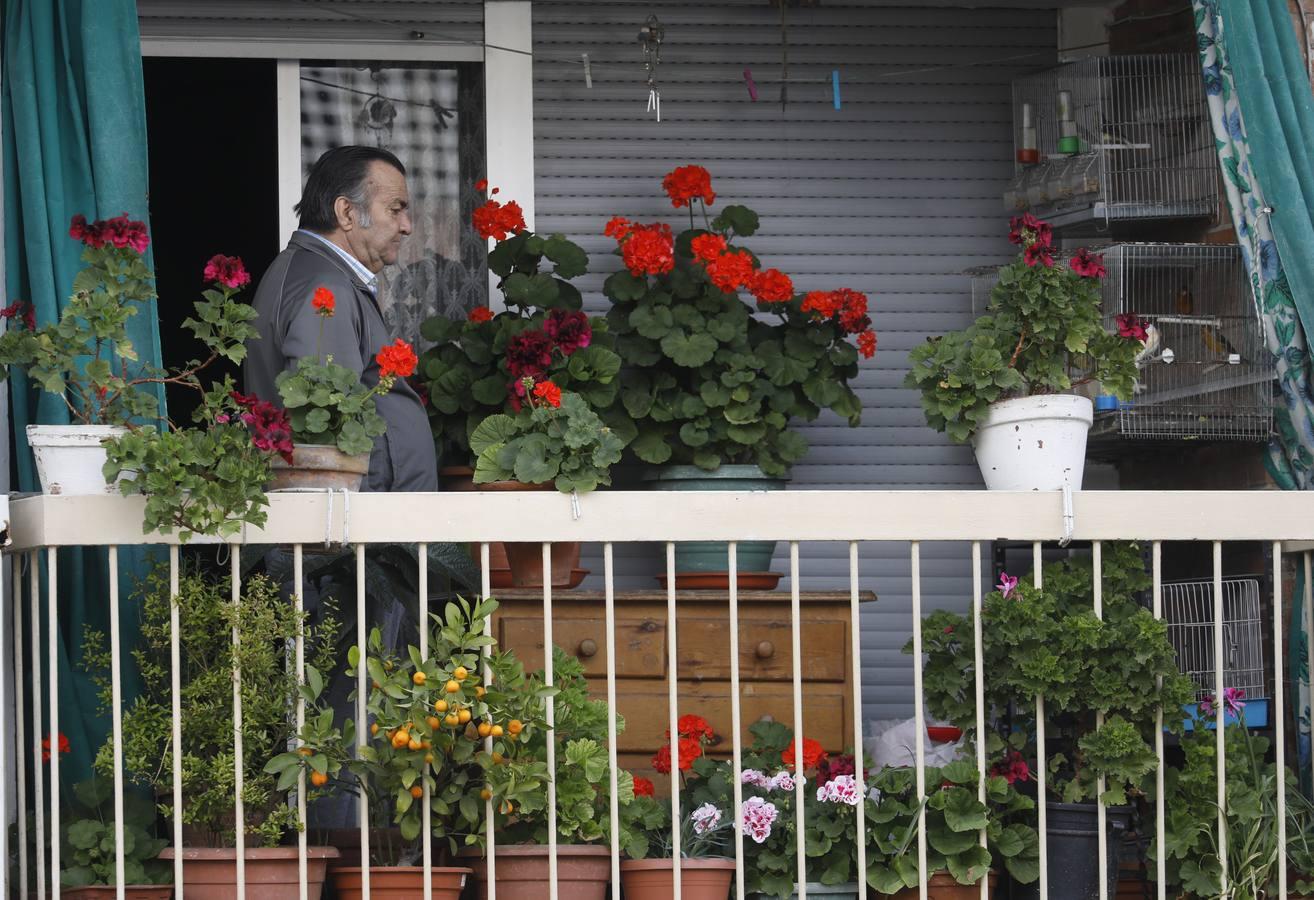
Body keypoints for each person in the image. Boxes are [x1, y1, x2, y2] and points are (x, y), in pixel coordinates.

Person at [246, 145, 437, 492]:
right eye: (395, 210)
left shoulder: (319, 274)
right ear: (346, 212)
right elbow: (329, 432)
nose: (406, 226)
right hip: (356, 534)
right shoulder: (325, 286)